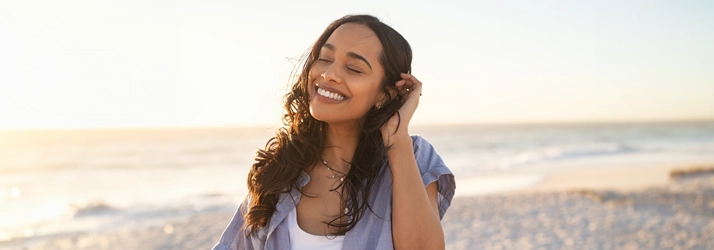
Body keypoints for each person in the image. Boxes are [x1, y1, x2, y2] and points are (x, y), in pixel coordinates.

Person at [213, 14, 455, 250]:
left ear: (385, 94)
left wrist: (397, 139)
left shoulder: (412, 157)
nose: (329, 75)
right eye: (324, 59)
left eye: (354, 68)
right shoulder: (278, 171)